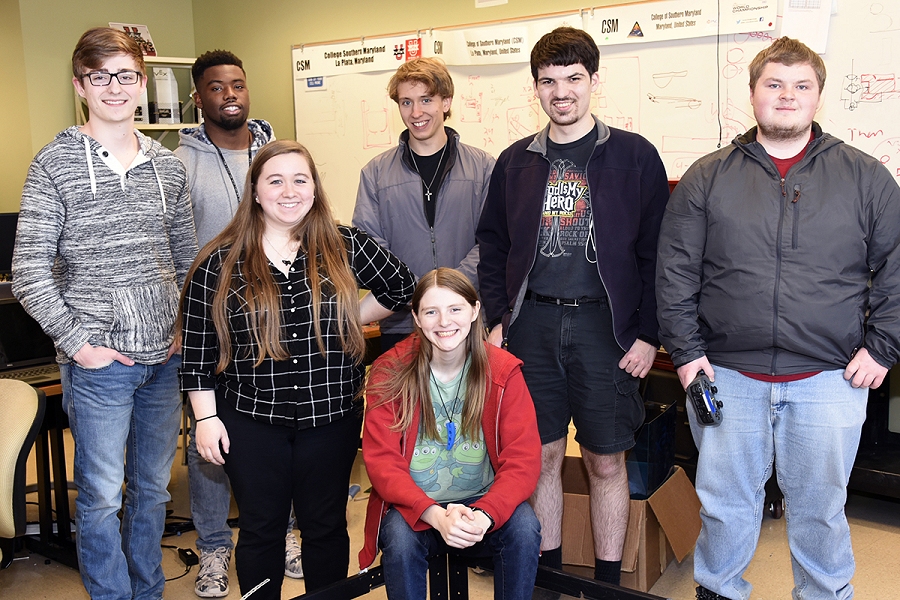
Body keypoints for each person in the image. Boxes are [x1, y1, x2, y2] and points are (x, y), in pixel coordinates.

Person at [656, 37, 900, 600]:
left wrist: (883, 347)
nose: (787, 96)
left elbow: (895, 267)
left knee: (820, 512)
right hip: (726, 379)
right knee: (724, 509)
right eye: (774, 84)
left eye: (801, 86)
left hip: (828, 381)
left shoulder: (866, 178)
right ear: (753, 94)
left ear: (818, 97)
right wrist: (689, 356)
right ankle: (718, 592)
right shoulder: (708, 176)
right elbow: (674, 273)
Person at [180, 140, 416, 599]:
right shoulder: (219, 261)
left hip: (330, 418)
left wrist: (351, 315)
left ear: (314, 188)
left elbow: (401, 285)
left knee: (325, 526)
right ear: (256, 190)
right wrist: (205, 419)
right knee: (261, 528)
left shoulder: (344, 244)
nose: (289, 191)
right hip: (250, 420)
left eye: (300, 179)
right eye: (275, 180)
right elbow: (197, 349)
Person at [475, 27, 669, 585]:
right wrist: (496, 319)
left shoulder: (633, 156)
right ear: (535, 88)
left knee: (607, 459)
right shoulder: (515, 162)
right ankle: (549, 576)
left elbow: (657, 254)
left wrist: (648, 334)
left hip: (604, 328)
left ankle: (607, 583)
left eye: (573, 79)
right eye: (548, 81)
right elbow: (493, 244)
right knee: (541, 457)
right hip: (530, 325)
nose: (561, 92)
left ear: (594, 82)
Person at [12, 27, 197, 600]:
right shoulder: (55, 164)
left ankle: (148, 593)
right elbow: (29, 271)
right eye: (99, 76)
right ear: (80, 85)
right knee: (100, 496)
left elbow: (188, 259)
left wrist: (182, 329)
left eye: (125, 75)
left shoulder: (167, 168)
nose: (113, 87)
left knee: (153, 492)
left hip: (162, 361)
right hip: (99, 367)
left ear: (142, 82)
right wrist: (79, 342)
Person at [175, 49, 298, 598]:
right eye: (216, 87)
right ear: (198, 96)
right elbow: (175, 248)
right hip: (215, 326)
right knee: (211, 443)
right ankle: (215, 549)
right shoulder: (179, 163)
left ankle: (286, 534)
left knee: (285, 432)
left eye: (238, 85)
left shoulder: (274, 153)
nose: (230, 95)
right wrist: (187, 315)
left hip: (278, 320)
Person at [360, 267, 542, 599]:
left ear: (474, 311)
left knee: (525, 527)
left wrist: (486, 514)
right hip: (416, 506)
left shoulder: (502, 371)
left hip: (481, 504)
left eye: (455, 309)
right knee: (399, 540)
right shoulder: (390, 372)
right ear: (416, 317)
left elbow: (524, 460)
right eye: (431, 311)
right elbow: (382, 464)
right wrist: (435, 514)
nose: (444, 321)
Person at [353, 57, 495, 352]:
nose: (416, 112)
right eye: (406, 102)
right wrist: (419, 295)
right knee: (406, 400)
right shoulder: (375, 173)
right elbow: (370, 247)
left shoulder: (483, 168)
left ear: (446, 102)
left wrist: (449, 296)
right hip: (401, 322)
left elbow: (492, 241)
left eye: (426, 99)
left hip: (466, 319)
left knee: (468, 399)